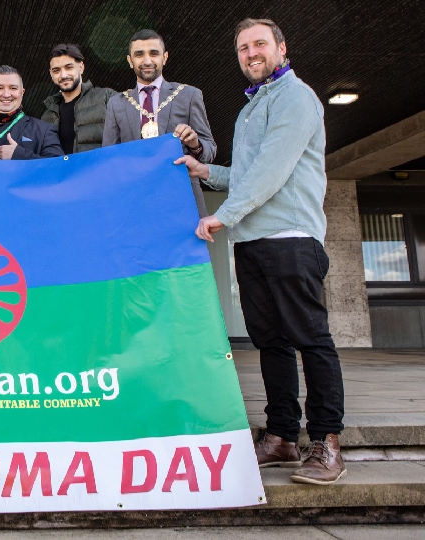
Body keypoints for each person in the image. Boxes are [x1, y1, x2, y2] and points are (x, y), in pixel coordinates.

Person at [175, 18, 346, 485]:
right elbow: (247, 174)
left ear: (281, 48)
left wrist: (222, 215)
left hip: (290, 238)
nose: (251, 53)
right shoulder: (251, 108)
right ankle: (282, 436)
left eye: (259, 45)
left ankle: (328, 440)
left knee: (311, 339)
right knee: (270, 343)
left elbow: (271, 171)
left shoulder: (295, 97)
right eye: (243, 48)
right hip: (251, 242)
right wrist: (204, 171)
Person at [102, 29, 216, 216]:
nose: (147, 61)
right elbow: (108, 158)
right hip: (135, 200)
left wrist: (195, 144)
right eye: (139, 55)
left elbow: (210, 151)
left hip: (182, 198)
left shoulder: (189, 95)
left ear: (165, 57)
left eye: (154, 53)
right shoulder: (116, 103)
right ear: (130, 61)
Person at [0, 65, 63, 160]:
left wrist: (19, 155)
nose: (6, 94)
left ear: (22, 93)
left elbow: (60, 169)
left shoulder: (44, 131)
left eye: (13, 88)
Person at [41, 44, 117, 154]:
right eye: (56, 70)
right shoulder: (47, 115)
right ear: (51, 74)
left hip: (101, 170)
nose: (63, 75)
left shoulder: (106, 97)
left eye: (69, 67)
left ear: (81, 67)